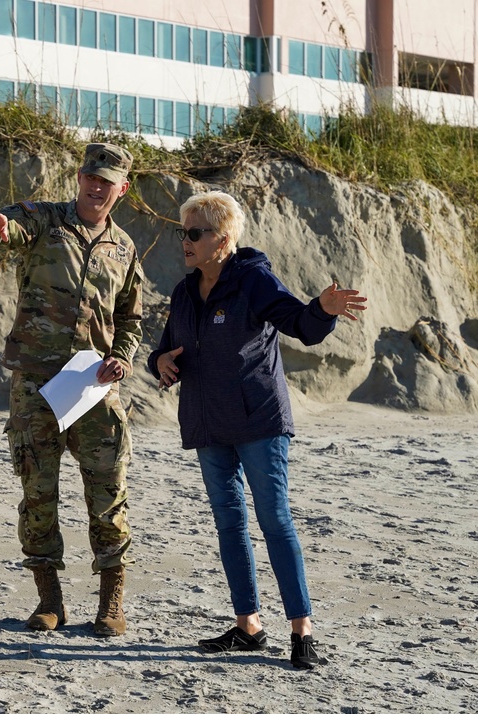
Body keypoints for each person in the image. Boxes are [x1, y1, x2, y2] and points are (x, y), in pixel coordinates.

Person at [147, 190, 367, 669]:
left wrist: (323, 309)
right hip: (206, 423)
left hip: (257, 421)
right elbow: (166, 348)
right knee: (230, 524)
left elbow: (297, 323)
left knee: (274, 521)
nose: (184, 241)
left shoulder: (254, 280)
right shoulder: (184, 292)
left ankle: (302, 632)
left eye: (194, 233)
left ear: (222, 240)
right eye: (182, 232)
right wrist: (158, 360)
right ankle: (249, 626)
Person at [0, 143, 144, 637]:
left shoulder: (125, 248)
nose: (95, 185)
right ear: (81, 176)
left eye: (106, 181)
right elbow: (1, 226)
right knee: (37, 492)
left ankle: (111, 603)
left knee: (108, 493)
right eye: (90, 175)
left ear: (121, 189)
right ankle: (50, 600)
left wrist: (122, 358)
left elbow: (131, 317)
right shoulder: (45, 221)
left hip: (92, 387)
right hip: (37, 383)